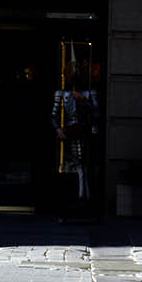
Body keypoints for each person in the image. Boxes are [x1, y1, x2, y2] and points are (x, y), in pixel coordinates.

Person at [52, 73, 98, 218]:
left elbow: (97, 114)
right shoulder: (62, 94)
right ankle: (78, 197)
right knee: (74, 166)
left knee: (83, 166)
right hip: (69, 132)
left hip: (83, 132)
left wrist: (85, 101)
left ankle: (84, 197)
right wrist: (59, 129)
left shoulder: (89, 93)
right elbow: (53, 115)